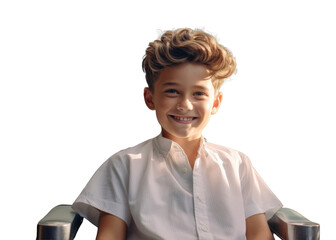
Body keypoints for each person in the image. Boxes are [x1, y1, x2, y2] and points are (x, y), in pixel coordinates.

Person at [72, 28, 282, 240]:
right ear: (150, 98)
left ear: (215, 102)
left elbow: (259, 235)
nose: (185, 104)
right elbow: (110, 236)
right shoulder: (123, 166)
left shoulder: (238, 166)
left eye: (199, 93)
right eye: (172, 91)